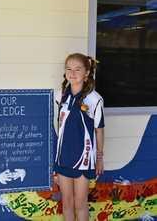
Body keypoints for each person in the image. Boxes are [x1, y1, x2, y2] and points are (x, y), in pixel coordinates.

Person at [54, 53, 105, 221]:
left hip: (83, 158)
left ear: (87, 73)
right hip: (63, 157)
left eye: (77, 69)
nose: (72, 73)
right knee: (67, 203)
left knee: (80, 204)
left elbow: (99, 130)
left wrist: (99, 157)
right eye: (68, 69)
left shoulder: (94, 99)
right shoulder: (60, 94)